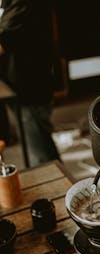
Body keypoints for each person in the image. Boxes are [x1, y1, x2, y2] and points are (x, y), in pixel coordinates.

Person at [0, 0, 60, 166]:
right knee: (36, 143)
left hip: (30, 85)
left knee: (40, 154)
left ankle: (58, 190)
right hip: (15, 83)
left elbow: (3, 40)